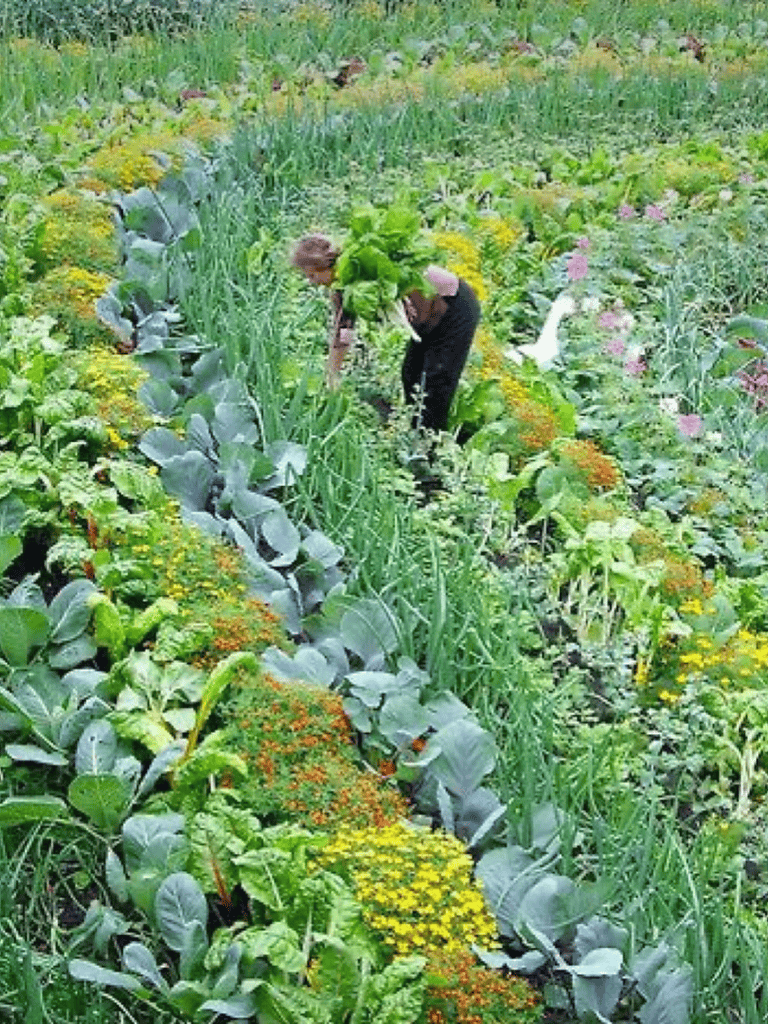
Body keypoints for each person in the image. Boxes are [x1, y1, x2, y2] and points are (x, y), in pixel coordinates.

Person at [291, 233, 481, 433]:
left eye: (312, 275)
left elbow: (342, 335)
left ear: (326, 266)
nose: (311, 281)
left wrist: (332, 375)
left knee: (435, 384)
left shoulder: (363, 269)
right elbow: (343, 332)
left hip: (454, 307)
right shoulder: (343, 284)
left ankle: (431, 449)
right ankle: (415, 435)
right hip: (427, 319)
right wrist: (332, 374)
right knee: (411, 375)